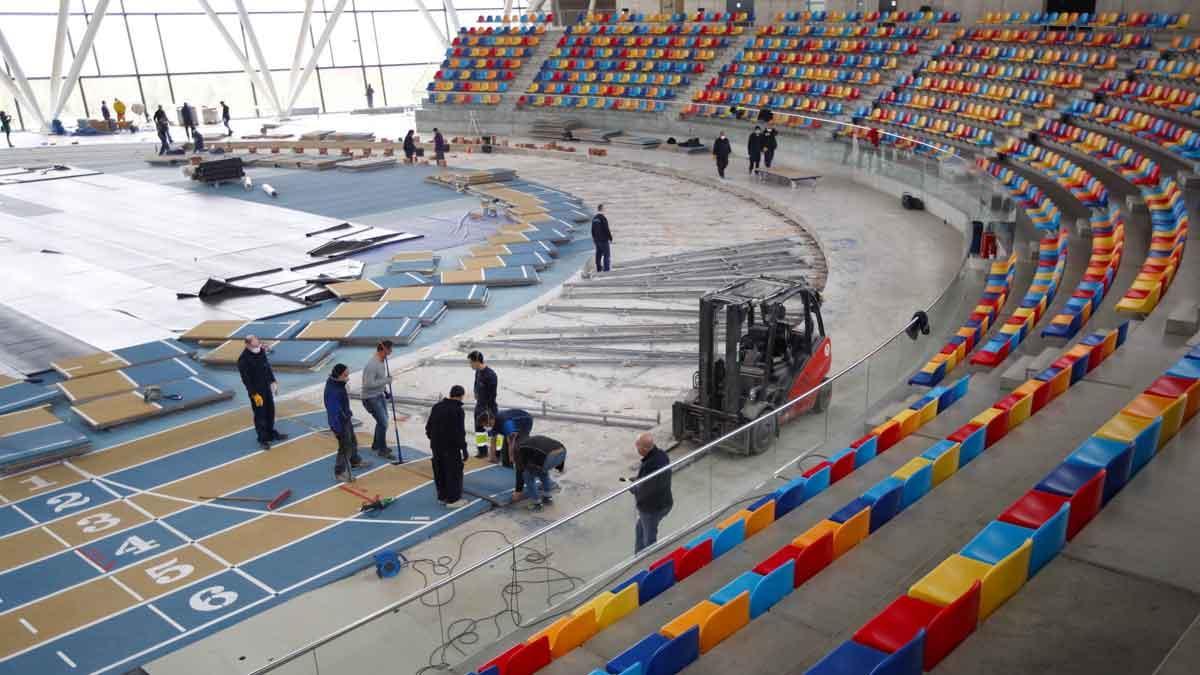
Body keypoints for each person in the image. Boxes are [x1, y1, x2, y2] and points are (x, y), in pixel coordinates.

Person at [237, 336, 288, 450]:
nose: (258, 341)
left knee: (270, 411)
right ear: (248, 344)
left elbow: (267, 367)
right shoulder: (243, 359)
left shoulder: (261, 352)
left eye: (257, 339)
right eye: (255, 340)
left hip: (266, 387)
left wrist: (273, 381)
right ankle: (262, 438)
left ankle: (271, 433)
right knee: (260, 415)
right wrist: (254, 394)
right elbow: (246, 380)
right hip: (256, 392)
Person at [325, 363, 370, 481]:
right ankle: (339, 472)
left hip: (345, 417)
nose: (348, 377)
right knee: (345, 447)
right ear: (339, 375)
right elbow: (333, 413)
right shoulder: (333, 391)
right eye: (345, 375)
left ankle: (355, 461)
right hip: (340, 423)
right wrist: (336, 430)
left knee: (353, 441)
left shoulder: (337, 384)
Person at [426, 385, 469, 507]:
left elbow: (428, 427)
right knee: (453, 472)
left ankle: (442, 496)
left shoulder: (437, 407)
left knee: (439, 470)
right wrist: (464, 449)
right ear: (461, 396)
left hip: (436, 445)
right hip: (451, 447)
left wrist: (433, 439)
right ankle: (453, 499)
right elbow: (460, 432)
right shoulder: (458, 410)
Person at [631, 432, 672, 553]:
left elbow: (643, 490)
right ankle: (638, 556)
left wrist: (632, 487)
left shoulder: (648, 465)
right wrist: (639, 480)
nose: (637, 449)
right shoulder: (662, 455)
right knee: (640, 529)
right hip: (665, 502)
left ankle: (649, 560)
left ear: (643, 448)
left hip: (652, 509)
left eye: (637, 446)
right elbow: (652, 482)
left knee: (649, 538)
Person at [361, 340, 398, 461]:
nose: (391, 352)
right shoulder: (372, 364)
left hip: (379, 395)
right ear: (384, 350)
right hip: (370, 398)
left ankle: (376, 445)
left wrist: (385, 391)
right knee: (383, 423)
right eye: (390, 349)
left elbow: (380, 379)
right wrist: (386, 381)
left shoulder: (382, 361)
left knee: (383, 421)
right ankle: (382, 450)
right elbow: (368, 384)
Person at [512, 435, 566, 512]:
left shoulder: (521, 449)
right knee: (542, 471)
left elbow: (520, 470)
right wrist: (560, 467)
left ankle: (536, 504)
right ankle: (547, 498)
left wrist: (518, 491)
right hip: (562, 451)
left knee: (527, 476)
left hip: (549, 456)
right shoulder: (531, 442)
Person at [469, 350, 498, 458]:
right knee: (479, 430)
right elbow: (476, 383)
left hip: (488, 407)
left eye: (471, 362)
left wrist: (488, 411)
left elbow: (492, 394)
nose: (470, 365)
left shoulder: (490, 375)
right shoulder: (478, 372)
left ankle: (497, 453)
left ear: (477, 361)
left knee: (492, 431)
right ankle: (482, 452)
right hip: (479, 405)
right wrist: (475, 392)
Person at [591, 204, 613, 272]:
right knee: (607, 255)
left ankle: (599, 269)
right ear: (602, 209)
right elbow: (606, 229)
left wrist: (594, 239)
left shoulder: (594, 218)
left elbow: (592, 230)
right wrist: (610, 238)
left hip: (597, 240)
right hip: (604, 240)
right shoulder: (603, 218)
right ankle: (606, 270)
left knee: (598, 255)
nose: (605, 209)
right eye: (604, 208)